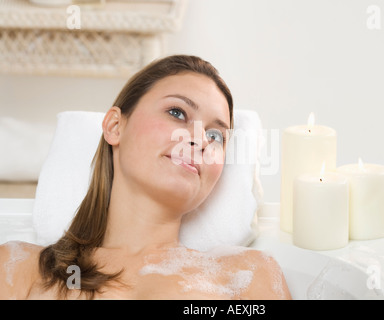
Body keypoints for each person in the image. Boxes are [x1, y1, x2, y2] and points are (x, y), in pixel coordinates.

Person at [0, 55, 292, 300]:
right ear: (115, 126)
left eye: (216, 135)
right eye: (177, 112)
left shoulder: (246, 278)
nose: (200, 140)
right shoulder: (20, 269)